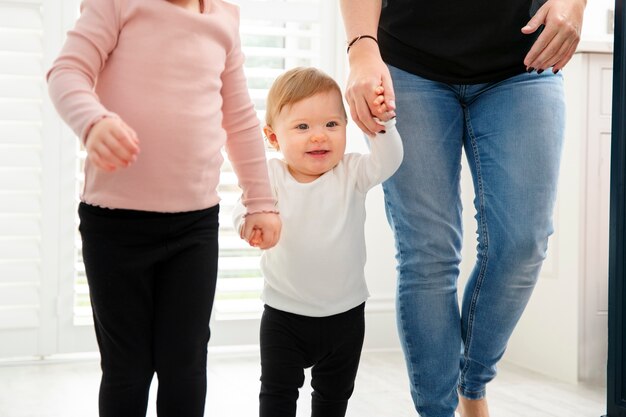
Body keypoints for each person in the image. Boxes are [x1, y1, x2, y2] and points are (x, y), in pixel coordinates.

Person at [339, 1, 586, 417]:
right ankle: (437, 410)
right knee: (428, 254)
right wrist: (361, 47)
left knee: (522, 244)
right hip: (407, 64)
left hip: (525, 60)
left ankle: (470, 385)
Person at [46, 0, 281, 416]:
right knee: (127, 369)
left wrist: (260, 200)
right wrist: (93, 121)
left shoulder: (223, 18)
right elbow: (67, 72)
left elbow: (239, 118)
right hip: (115, 228)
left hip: (194, 228)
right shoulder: (116, 4)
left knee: (185, 364)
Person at [233, 67, 403, 417]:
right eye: (302, 127)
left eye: (331, 124)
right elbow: (244, 206)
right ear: (273, 137)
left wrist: (382, 121)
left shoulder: (352, 172)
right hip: (284, 317)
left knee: (333, 396)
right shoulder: (272, 177)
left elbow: (391, 160)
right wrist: (250, 224)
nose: (319, 137)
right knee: (277, 394)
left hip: (345, 317)